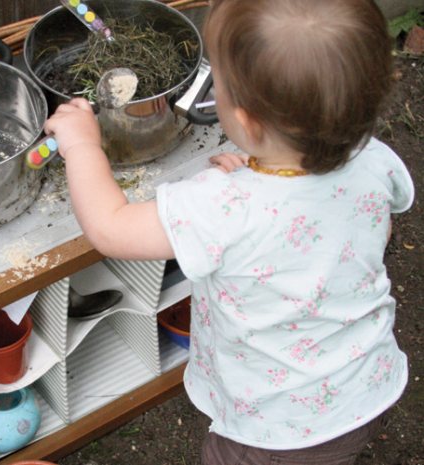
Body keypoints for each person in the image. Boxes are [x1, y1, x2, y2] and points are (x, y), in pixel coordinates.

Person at [43, 0, 415, 463]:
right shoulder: (373, 158)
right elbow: (354, 227)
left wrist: (81, 145)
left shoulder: (221, 207)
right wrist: (262, 173)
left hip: (275, 429)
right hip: (365, 384)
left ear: (245, 121)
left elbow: (111, 227)